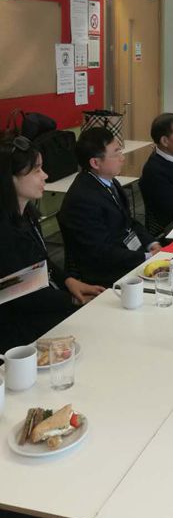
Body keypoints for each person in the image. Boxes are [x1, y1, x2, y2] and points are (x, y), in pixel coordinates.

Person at [0, 136, 104, 354]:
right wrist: (73, 301)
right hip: (19, 327)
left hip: (43, 304)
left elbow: (43, 260)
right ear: (9, 179)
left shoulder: (27, 213)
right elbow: (21, 294)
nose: (45, 175)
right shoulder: (5, 231)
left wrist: (69, 281)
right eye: (36, 170)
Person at [57, 128, 160, 288]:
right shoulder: (83, 199)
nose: (122, 158)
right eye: (116, 153)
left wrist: (152, 244)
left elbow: (128, 222)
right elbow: (101, 252)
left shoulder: (108, 180)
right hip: (106, 273)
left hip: (128, 256)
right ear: (95, 163)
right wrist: (147, 257)